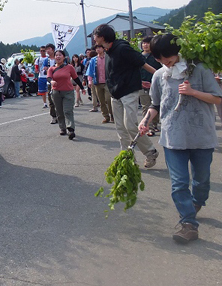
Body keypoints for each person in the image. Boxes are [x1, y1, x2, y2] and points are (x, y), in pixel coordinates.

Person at [138, 33, 222, 243]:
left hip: (201, 136)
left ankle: (196, 202)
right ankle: (188, 224)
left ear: (177, 51)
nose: (165, 62)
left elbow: (217, 98)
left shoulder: (198, 69)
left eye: (168, 57)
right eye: (160, 59)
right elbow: (156, 105)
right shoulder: (159, 75)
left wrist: (193, 92)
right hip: (173, 136)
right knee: (179, 183)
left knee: (201, 181)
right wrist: (146, 120)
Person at [93, 24, 158, 168]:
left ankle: (150, 152)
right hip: (116, 94)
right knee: (120, 129)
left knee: (130, 126)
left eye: (95, 36)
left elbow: (142, 63)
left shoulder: (122, 48)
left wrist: (160, 75)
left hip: (129, 92)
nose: (94, 39)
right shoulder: (108, 51)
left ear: (102, 37)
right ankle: (128, 159)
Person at [47, 50, 85, 140]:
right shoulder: (51, 68)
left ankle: (70, 129)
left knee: (68, 110)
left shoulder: (69, 67)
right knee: (59, 111)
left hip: (68, 92)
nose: (58, 57)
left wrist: (82, 88)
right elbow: (48, 78)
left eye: (60, 55)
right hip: (56, 92)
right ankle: (62, 128)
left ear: (64, 57)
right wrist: (51, 81)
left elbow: (76, 78)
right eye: (56, 55)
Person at [139, 36, 162, 136]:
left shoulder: (156, 57)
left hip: (156, 85)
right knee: (146, 106)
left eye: (147, 43)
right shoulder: (139, 57)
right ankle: (148, 127)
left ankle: (155, 124)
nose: (145, 45)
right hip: (142, 85)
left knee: (156, 104)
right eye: (144, 43)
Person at [86, 45, 113, 123]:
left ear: (103, 48)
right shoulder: (93, 60)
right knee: (101, 101)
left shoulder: (108, 58)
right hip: (97, 82)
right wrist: (90, 81)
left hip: (107, 82)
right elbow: (90, 71)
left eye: (99, 48)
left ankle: (112, 115)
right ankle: (106, 116)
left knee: (108, 99)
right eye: (96, 48)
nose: (98, 49)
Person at [41, 43, 57, 124]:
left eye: (48, 49)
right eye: (46, 49)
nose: (47, 51)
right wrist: (46, 70)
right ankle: (53, 116)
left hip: (59, 82)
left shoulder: (58, 58)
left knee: (59, 100)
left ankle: (61, 115)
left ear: (53, 49)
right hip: (49, 82)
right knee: (51, 100)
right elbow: (44, 71)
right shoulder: (46, 60)